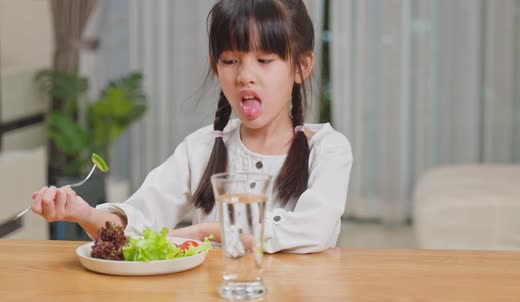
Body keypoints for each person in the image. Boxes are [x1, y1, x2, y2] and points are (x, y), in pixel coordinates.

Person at [30, 0, 353, 254]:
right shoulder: (201, 148)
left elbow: (314, 231)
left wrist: (207, 231)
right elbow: (137, 227)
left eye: (264, 60)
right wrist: (82, 213)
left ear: (301, 66)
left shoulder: (327, 148)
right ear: (216, 67)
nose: (244, 75)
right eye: (230, 61)